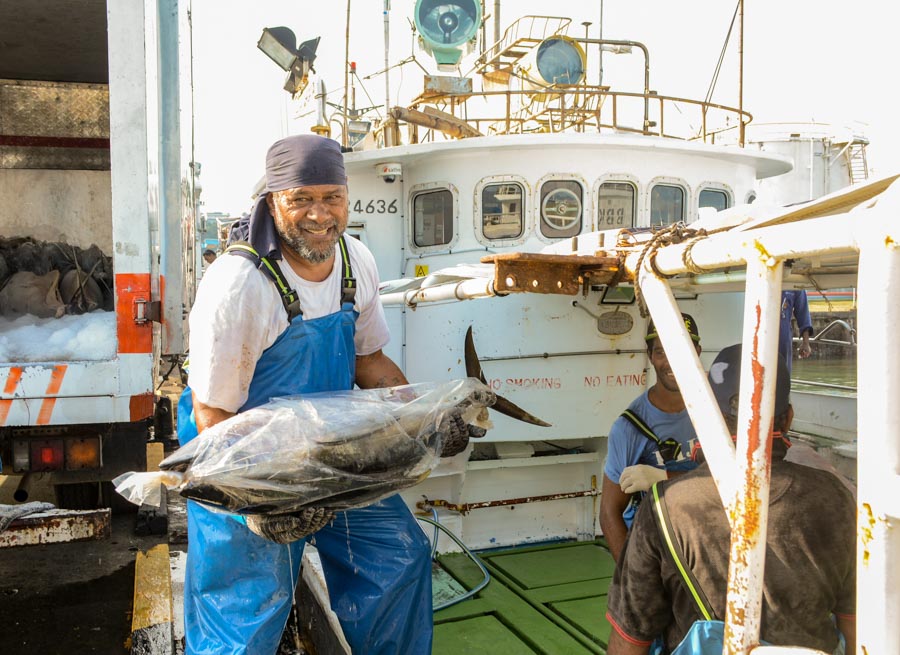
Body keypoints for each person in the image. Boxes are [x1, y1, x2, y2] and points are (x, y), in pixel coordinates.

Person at [181, 135, 434, 654]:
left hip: (333, 455)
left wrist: (425, 418)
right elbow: (213, 415)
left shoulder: (354, 259)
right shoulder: (240, 283)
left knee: (399, 556)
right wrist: (259, 504)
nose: (320, 215)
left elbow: (369, 361)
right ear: (273, 201)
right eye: (301, 200)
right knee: (246, 609)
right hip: (248, 463)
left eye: (332, 197)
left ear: (346, 196)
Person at [605, 344, 856, 655]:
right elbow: (856, 624)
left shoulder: (664, 507)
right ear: (788, 418)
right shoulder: (837, 498)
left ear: (703, 419)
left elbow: (629, 642)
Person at [599, 313, 702, 562]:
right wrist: (630, 575)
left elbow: (734, 485)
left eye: (681, 350)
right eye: (661, 352)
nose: (671, 362)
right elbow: (609, 513)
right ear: (650, 357)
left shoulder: (715, 411)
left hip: (703, 537)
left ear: (697, 351)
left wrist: (663, 477)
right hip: (655, 547)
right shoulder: (629, 428)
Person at [780, 289, 813, 375]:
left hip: (783, 339)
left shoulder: (794, 283)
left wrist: (806, 342)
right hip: (760, 337)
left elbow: (803, 313)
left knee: (783, 376)